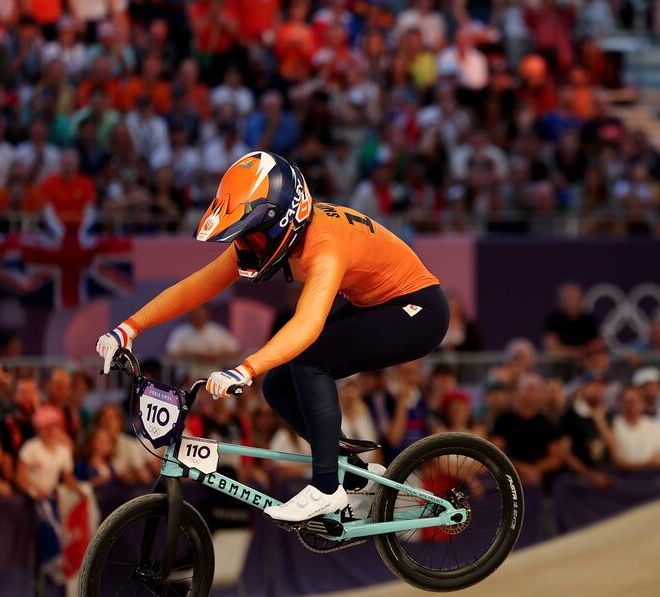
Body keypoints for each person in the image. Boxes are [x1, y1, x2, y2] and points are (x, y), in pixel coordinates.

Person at [96, 150, 447, 522]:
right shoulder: (277, 233)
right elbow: (195, 287)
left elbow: (308, 324)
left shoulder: (325, 245)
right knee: (278, 384)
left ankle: (328, 488)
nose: (246, 247)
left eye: (253, 236)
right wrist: (128, 327)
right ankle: (356, 474)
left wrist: (244, 369)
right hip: (376, 302)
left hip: (417, 310)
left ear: (283, 222)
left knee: (311, 360)